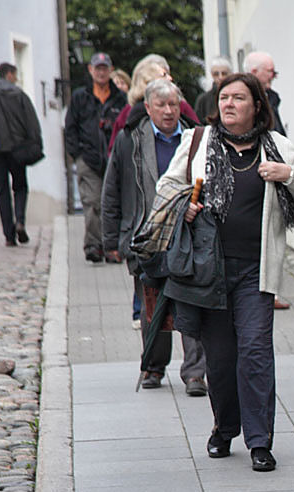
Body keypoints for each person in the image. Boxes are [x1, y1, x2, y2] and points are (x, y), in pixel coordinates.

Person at [156, 73, 294, 471]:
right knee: (220, 357)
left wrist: (290, 175)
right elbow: (166, 188)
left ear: (257, 106)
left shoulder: (277, 147)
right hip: (207, 270)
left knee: (255, 352)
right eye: (224, 97)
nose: (229, 103)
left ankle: (260, 441)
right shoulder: (198, 143)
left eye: (239, 98)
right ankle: (224, 428)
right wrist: (185, 205)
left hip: (256, 271)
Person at [101, 78, 208, 396]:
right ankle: (153, 366)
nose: (168, 110)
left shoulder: (195, 137)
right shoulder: (130, 139)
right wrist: (111, 240)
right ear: (147, 107)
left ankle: (195, 373)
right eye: (161, 105)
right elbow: (112, 190)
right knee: (152, 307)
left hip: (189, 234)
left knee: (192, 303)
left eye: (173, 104)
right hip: (146, 236)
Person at [65, 52, 127, 262]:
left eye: (104, 68)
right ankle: (93, 245)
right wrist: (78, 155)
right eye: (97, 68)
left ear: (110, 70)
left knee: (112, 203)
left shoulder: (120, 98)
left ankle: (112, 246)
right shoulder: (80, 97)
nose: (101, 72)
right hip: (88, 159)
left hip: (113, 159)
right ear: (90, 70)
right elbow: (70, 128)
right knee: (92, 202)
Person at [0, 62, 42, 247]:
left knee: (2, 191)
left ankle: (9, 235)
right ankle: (20, 221)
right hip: (17, 149)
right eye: (15, 74)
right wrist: (35, 145)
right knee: (20, 187)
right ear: (10, 74)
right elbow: (32, 123)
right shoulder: (19, 95)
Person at [244, 50, 291, 310]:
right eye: (269, 71)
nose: (273, 75)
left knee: (273, 234)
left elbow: (278, 131)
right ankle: (261, 292)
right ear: (254, 73)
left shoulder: (271, 99)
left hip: (274, 171)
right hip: (257, 174)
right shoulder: (247, 100)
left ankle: (270, 290)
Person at [108, 54, 201, 155]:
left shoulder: (181, 106)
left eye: (172, 104)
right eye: (164, 75)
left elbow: (198, 134)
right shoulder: (131, 113)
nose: (170, 78)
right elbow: (117, 151)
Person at [243, 51, 286, 136]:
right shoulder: (243, 99)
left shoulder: (272, 97)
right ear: (254, 71)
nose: (273, 76)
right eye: (270, 71)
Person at [194, 56, 232, 122]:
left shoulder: (237, 96)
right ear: (212, 75)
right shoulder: (203, 100)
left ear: (230, 74)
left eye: (224, 73)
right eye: (216, 74)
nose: (220, 77)